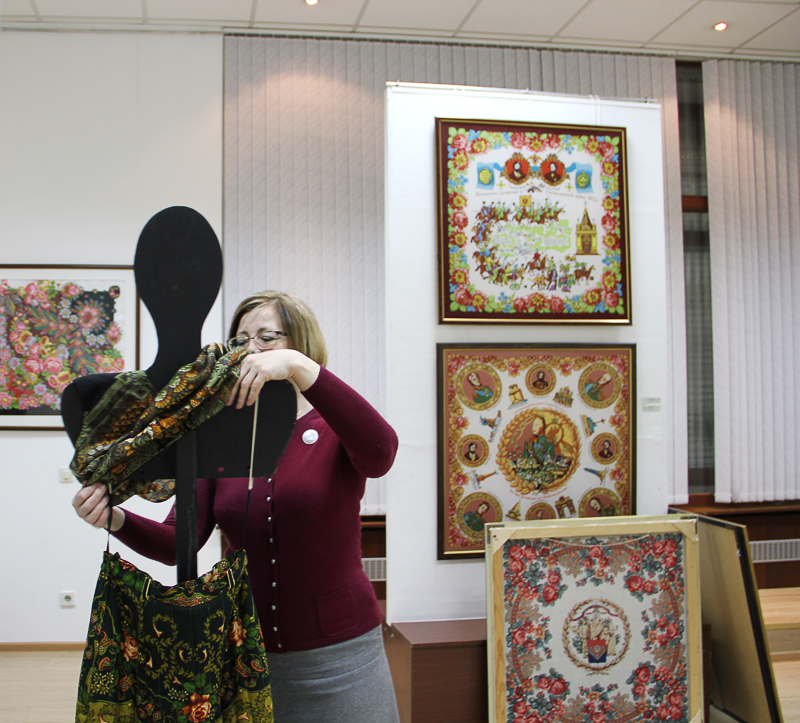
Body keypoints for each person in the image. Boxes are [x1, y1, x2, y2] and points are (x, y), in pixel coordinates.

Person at [71, 290, 401, 723]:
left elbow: (381, 453)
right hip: (246, 652)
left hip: (342, 653)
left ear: (299, 344)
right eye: (241, 340)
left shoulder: (332, 425)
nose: (251, 351)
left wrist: (301, 368)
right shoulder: (221, 440)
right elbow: (177, 541)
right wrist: (114, 518)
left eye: (267, 337)